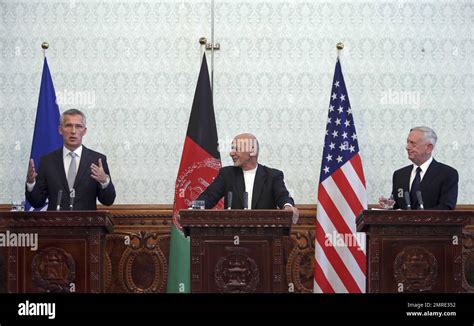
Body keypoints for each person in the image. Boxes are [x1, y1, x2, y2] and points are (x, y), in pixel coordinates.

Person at [26, 109, 116, 210]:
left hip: (87, 224)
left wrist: (104, 181)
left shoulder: (97, 160)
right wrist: (31, 182)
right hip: (56, 223)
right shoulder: (47, 161)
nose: (73, 131)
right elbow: (37, 202)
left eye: (78, 126)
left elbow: (108, 201)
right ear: (60, 130)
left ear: (84, 131)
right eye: (68, 126)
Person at [196, 133, 299, 222]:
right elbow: (209, 196)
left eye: (237, 149)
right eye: (232, 148)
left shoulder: (272, 175)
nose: (231, 153)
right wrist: (193, 208)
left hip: (264, 237)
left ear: (252, 150)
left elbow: (283, 196)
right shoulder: (227, 174)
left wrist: (288, 207)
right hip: (232, 235)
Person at [379, 126, 458, 210]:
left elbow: (446, 208)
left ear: (428, 148)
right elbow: (398, 206)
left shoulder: (447, 174)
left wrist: (416, 218)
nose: (407, 147)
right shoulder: (399, 175)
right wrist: (389, 206)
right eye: (407, 142)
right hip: (403, 223)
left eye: (413, 143)